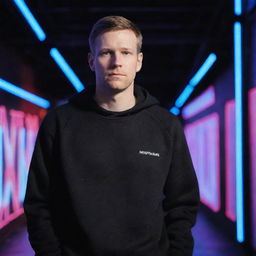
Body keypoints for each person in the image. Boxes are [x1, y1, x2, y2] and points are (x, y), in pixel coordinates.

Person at [24, 15, 200, 256]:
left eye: (126, 53)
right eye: (107, 52)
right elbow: (38, 203)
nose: (116, 62)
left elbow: (182, 203)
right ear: (91, 61)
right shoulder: (59, 123)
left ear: (138, 61)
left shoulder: (165, 125)